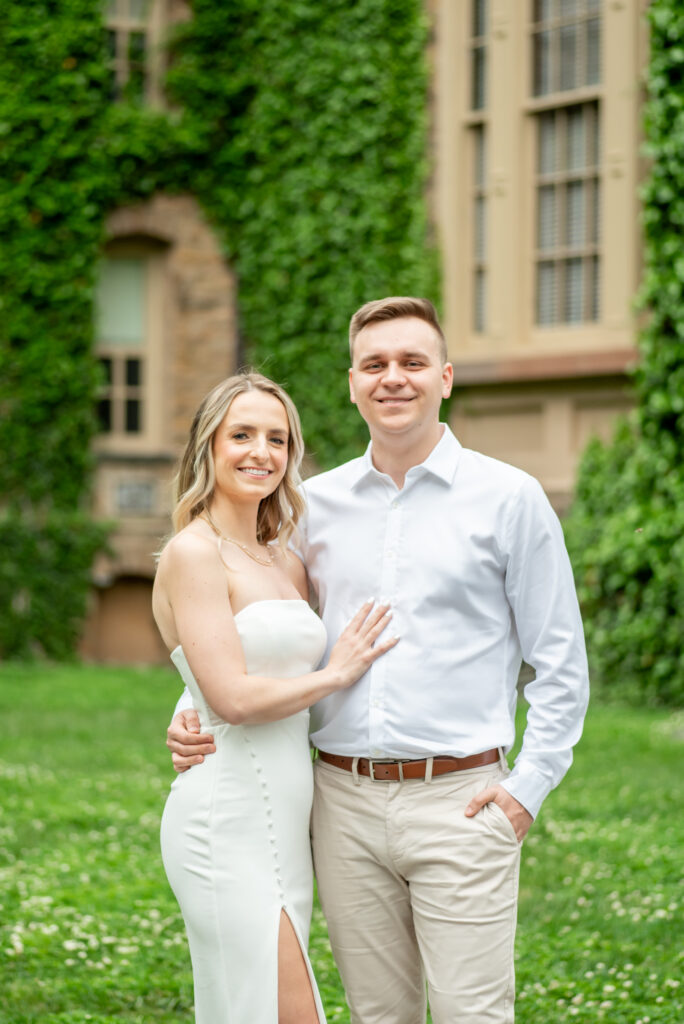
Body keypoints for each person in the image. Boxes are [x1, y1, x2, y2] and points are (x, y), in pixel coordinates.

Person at [168, 298, 589, 1024]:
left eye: (412, 362)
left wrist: (528, 789)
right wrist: (189, 710)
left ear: (446, 378)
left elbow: (560, 661)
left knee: (472, 1016)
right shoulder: (310, 509)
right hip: (340, 806)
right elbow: (258, 628)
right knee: (377, 1017)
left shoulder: (509, 500)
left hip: (461, 800)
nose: (393, 378)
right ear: (353, 382)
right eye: (375, 365)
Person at [154, 371, 398, 1024]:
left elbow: (220, 669)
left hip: (287, 823)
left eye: (278, 438)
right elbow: (230, 696)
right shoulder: (192, 553)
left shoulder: (284, 561)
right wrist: (335, 672)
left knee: (249, 1009)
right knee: (285, 1010)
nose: (261, 451)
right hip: (225, 819)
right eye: (242, 434)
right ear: (209, 445)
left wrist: (184, 710)